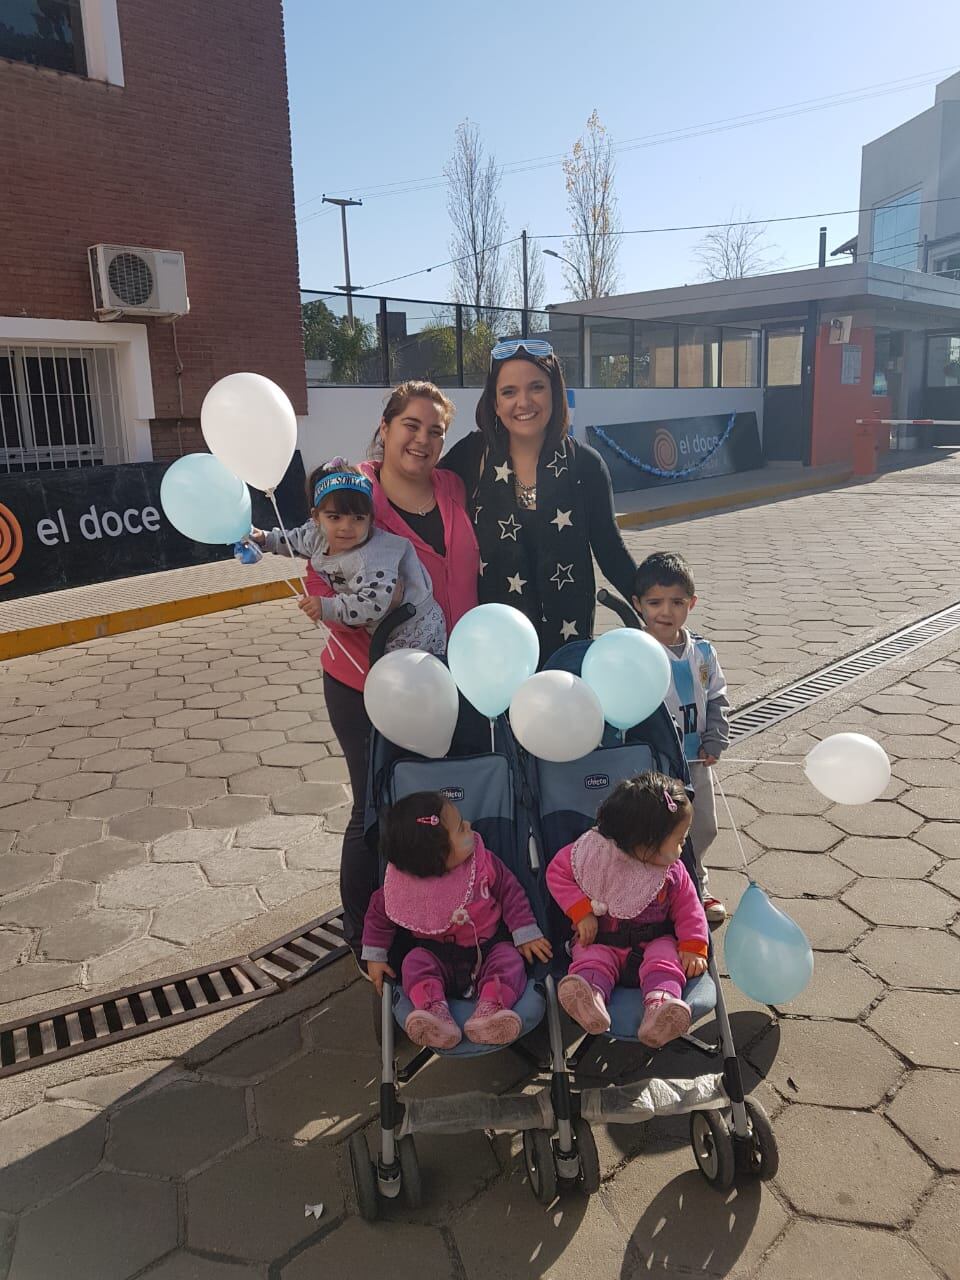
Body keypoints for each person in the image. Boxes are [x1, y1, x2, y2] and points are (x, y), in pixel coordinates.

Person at [288, 382, 480, 959]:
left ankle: (438, 914)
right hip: (368, 681)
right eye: (411, 425)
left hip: (453, 674)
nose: (423, 439)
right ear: (386, 426)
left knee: (443, 801)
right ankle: (366, 939)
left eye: (435, 429)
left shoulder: (452, 486)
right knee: (374, 805)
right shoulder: (354, 491)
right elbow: (320, 572)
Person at [440, 338, 637, 657]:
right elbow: (420, 495)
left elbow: (610, 549)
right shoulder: (472, 455)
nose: (524, 402)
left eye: (536, 387)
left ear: (555, 393)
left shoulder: (584, 464)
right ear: (494, 402)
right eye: (509, 392)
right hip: (493, 647)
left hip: (567, 644)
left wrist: (655, 602)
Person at [361, 791, 553, 1050]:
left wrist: (524, 931)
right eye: (462, 828)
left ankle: (491, 1009)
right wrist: (375, 956)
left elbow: (510, 891)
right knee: (413, 963)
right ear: (438, 857)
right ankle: (433, 1013)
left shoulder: (483, 864)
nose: (470, 827)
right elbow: (378, 916)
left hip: (487, 948)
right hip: (435, 954)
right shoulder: (404, 886)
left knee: (510, 960)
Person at [546, 772, 708, 1049]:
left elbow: (690, 909)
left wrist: (693, 945)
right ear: (646, 841)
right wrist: (582, 911)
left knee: (666, 956)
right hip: (602, 940)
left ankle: (660, 1005)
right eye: (679, 839)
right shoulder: (595, 855)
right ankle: (590, 998)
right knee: (590, 956)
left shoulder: (672, 873)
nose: (683, 846)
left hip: (653, 942)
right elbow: (557, 872)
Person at [249, 458, 446, 655]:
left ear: (370, 519)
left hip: (416, 627)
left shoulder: (372, 557)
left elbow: (374, 603)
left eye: (358, 518)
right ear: (316, 517)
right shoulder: (317, 535)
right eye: (335, 517)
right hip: (386, 626)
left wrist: (328, 606)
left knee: (410, 675)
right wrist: (266, 539)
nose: (346, 527)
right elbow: (295, 540)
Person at [632, 552, 730, 924]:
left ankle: (697, 881)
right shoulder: (635, 652)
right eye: (655, 603)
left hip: (696, 759)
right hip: (654, 766)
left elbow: (718, 695)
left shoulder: (702, 652)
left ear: (692, 602)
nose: (665, 612)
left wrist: (716, 737)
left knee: (703, 826)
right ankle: (669, 892)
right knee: (659, 830)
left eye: (676, 602)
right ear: (639, 604)